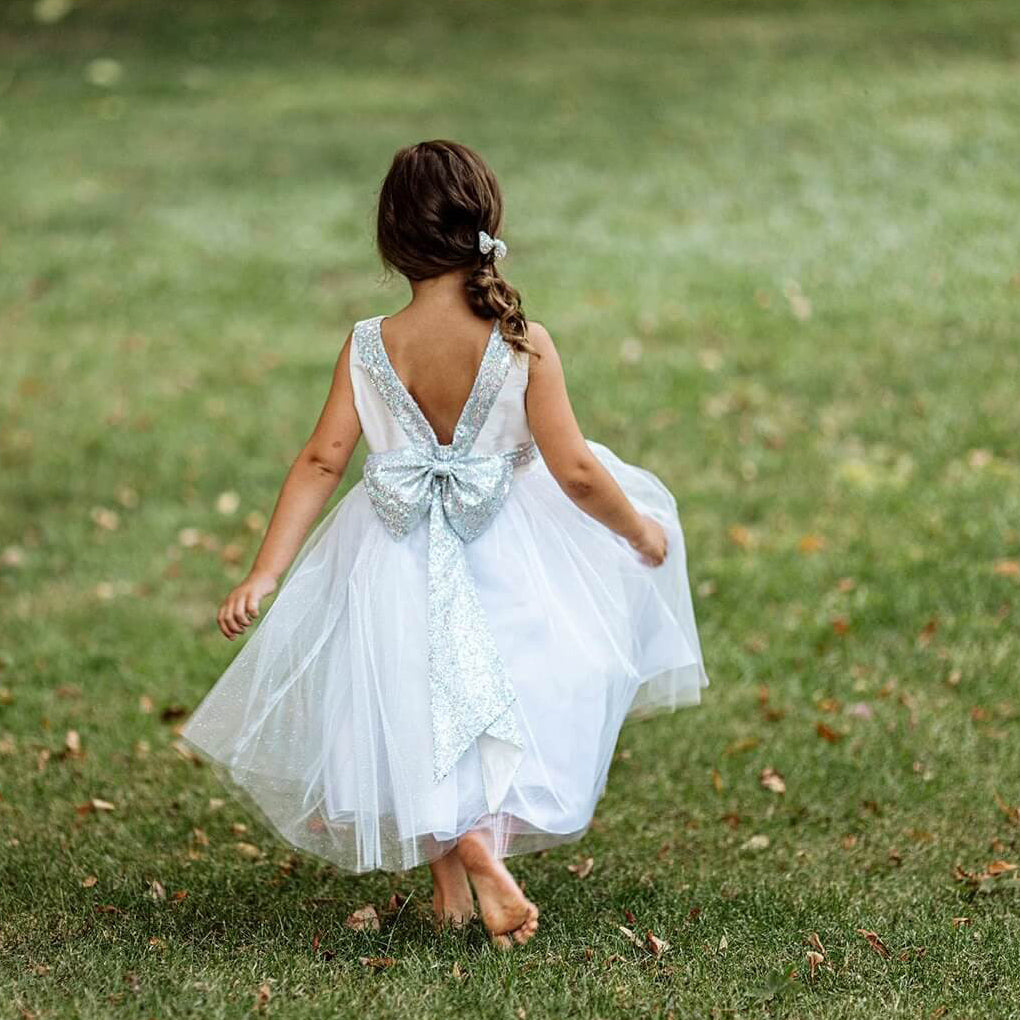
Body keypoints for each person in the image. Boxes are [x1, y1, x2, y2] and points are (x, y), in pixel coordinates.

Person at [180, 139, 709, 948]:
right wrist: (636, 528)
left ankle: (455, 888)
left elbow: (323, 459)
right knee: (498, 706)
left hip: (388, 555)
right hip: (510, 550)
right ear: (485, 227)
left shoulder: (369, 344)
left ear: (392, 240)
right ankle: (479, 860)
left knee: (413, 709)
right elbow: (573, 468)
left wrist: (267, 571)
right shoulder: (523, 339)